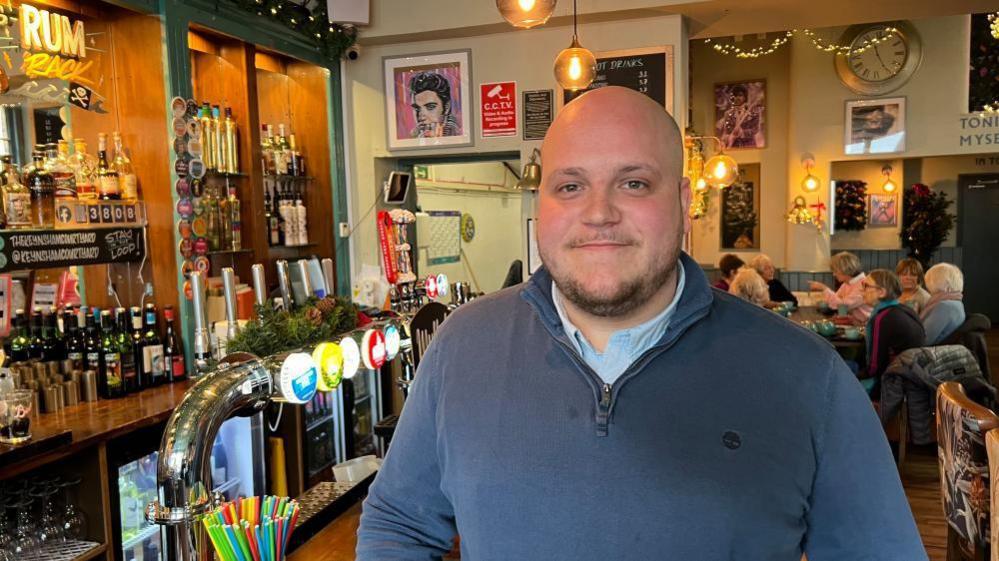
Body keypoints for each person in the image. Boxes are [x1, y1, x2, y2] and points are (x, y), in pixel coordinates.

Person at [356, 86, 924, 560]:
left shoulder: (808, 379)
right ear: (542, 204)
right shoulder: (464, 347)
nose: (598, 212)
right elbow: (397, 524)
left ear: (681, 201)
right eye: (570, 186)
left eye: (633, 183)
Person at [860, 270, 926, 397]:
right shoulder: (906, 309)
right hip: (915, 379)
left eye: (866, 286)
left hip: (892, 384)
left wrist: (854, 376)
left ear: (882, 292)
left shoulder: (882, 318)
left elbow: (874, 367)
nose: (862, 290)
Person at [808, 251, 872, 324]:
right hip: (854, 322)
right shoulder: (847, 283)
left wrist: (824, 288)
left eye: (835, 270)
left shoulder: (863, 284)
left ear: (845, 269)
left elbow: (842, 306)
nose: (834, 274)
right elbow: (836, 299)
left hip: (864, 325)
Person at [922, 263, 966, 345]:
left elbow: (923, 339)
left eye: (932, 280)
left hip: (927, 352)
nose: (928, 285)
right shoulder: (956, 302)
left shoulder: (945, 306)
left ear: (946, 284)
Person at [408, 72, 460, 138]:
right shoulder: (414, 137)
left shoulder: (458, 135)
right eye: (416, 108)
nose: (421, 117)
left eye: (430, 107)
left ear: (447, 107)